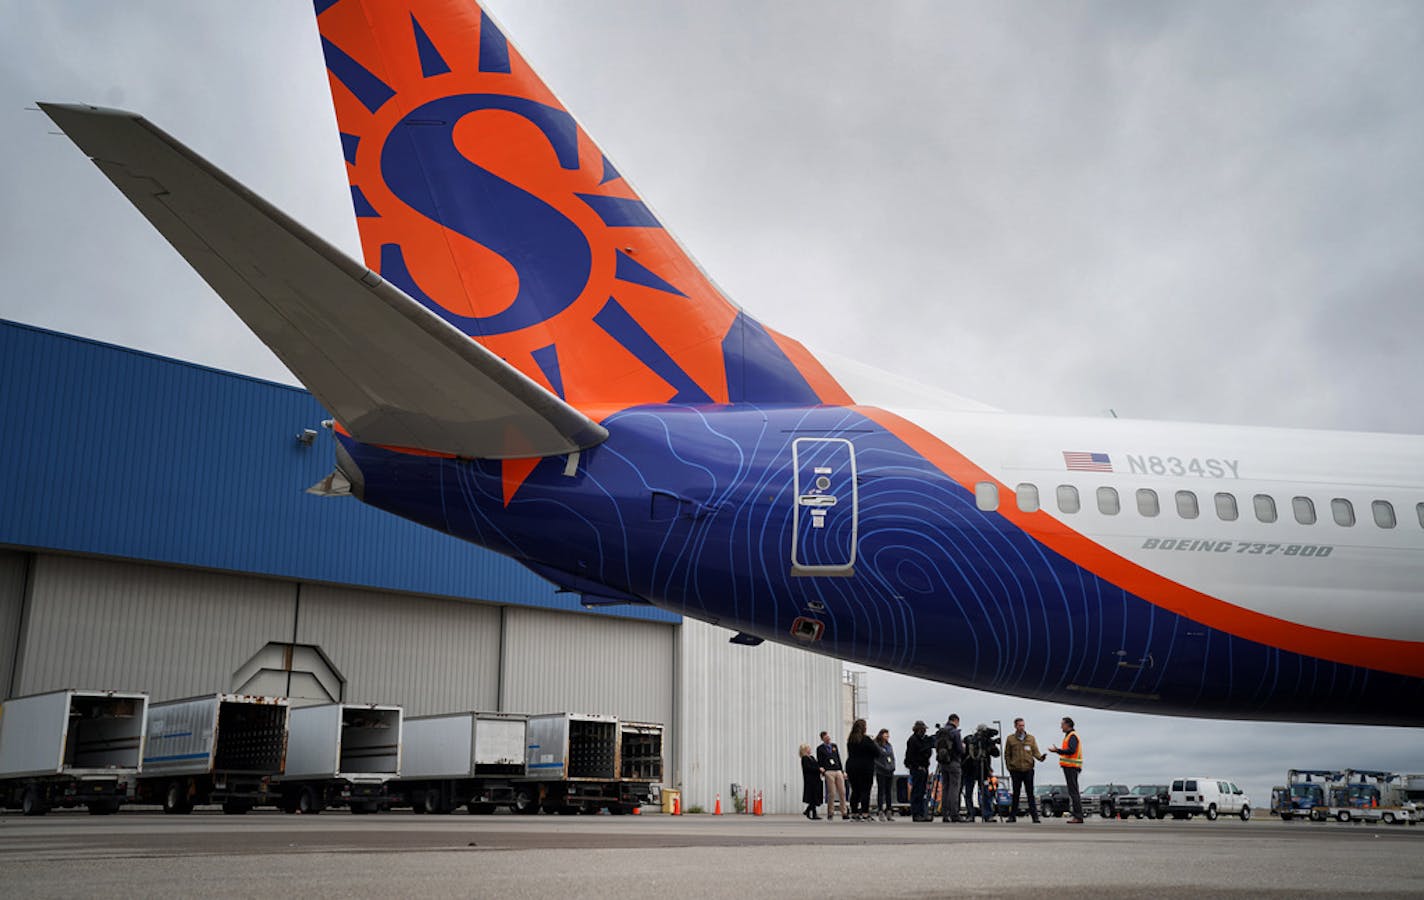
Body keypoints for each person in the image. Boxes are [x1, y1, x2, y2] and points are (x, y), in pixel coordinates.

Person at [1003, 716, 1046, 823]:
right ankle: (1012, 816)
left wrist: (1041, 758)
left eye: (1023, 725)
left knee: (1030, 793)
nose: (1022, 727)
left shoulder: (1031, 738)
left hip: (1028, 769)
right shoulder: (1010, 739)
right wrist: (1009, 767)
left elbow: (1035, 751)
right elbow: (1007, 754)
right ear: (1015, 726)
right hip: (1016, 770)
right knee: (1016, 794)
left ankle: (1035, 817)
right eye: (1019, 725)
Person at [1047, 716, 1084, 823]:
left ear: (1067, 725)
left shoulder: (1072, 736)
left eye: (1062, 724)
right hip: (1070, 767)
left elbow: (1071, 750)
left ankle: (1078, 816)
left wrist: (1057, 750)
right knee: (1073, 791)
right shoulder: (1069, 736)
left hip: (1071, 767)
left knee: (1074, 792)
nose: (1061, 726)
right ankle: (1077, 815)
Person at [844, 719, 879, 821]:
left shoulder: (851, 740)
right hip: (865, 767)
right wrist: (873, 742)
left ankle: (854, 813)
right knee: (865, 790)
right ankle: (865, 813)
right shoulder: (867, 740)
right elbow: (877, 753)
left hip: (852, 767)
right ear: (864, 728)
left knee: (855, 791)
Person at [934, 714, 965, 822]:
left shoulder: (940, 732)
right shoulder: (955, 732)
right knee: (954, 789)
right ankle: (954, 814)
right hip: (954, 762)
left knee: (945, 788)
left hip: (943, 763)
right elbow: (960, 749)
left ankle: (945, 814)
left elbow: (936, 745)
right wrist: (963, 748)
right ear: (956, 721)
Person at [904, 720, 934, 822]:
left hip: (924, 767)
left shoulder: (923, 740)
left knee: (922, 792)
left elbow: (928, 753)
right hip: (917, 768)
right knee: (916, 791)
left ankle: (922, 813)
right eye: (923, 729)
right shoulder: (913, 740)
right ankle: (916, 813)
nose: (924, 731)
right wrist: (916, 766)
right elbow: (910, 756)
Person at [816, 730, 846, 820]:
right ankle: (830, 812)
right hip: (829, 771)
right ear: (822, 739)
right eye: (826, 738)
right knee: (832, 793)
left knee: (842, 792)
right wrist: (822, 771)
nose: (828, 739)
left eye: (828, 737)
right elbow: (820, 760)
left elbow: (838, 758)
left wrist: (842, 770)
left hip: (837, 770)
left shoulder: (834, 746)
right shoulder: (820, 749)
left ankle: (844, 812)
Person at [873, 728, 896, 821]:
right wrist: (883, 767)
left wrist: (892, 766)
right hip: (881, 771)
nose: (887, 737)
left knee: (888, 792)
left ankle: (889, 810)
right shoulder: (877, 745)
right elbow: (876, 759)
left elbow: (892, 757)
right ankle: (880, 810)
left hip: (889, 771)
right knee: (881, 791)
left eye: (888, 735)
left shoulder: (889, 745)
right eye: (885, 735)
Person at [799, 744, 823, 819]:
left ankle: (808, 811)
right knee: (812, 797)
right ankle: (813, 813)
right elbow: (808, 768)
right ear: (805, 750)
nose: (810, 749)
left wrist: (820, 769)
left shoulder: (812, 757)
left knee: (815, 796)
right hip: (810, 780)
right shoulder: (804, 758)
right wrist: (818, 769)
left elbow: (816, 765)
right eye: (808, 748)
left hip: (816, 779)